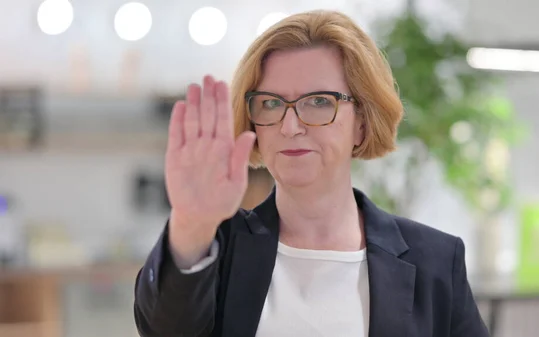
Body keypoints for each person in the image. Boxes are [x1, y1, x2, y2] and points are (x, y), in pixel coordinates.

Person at [133, 9, 489, 337]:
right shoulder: (214, 247)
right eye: (271, 103)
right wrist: (191, 223)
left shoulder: (435, 261)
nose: (290, 126)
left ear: (362, 124)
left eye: (319, 101)